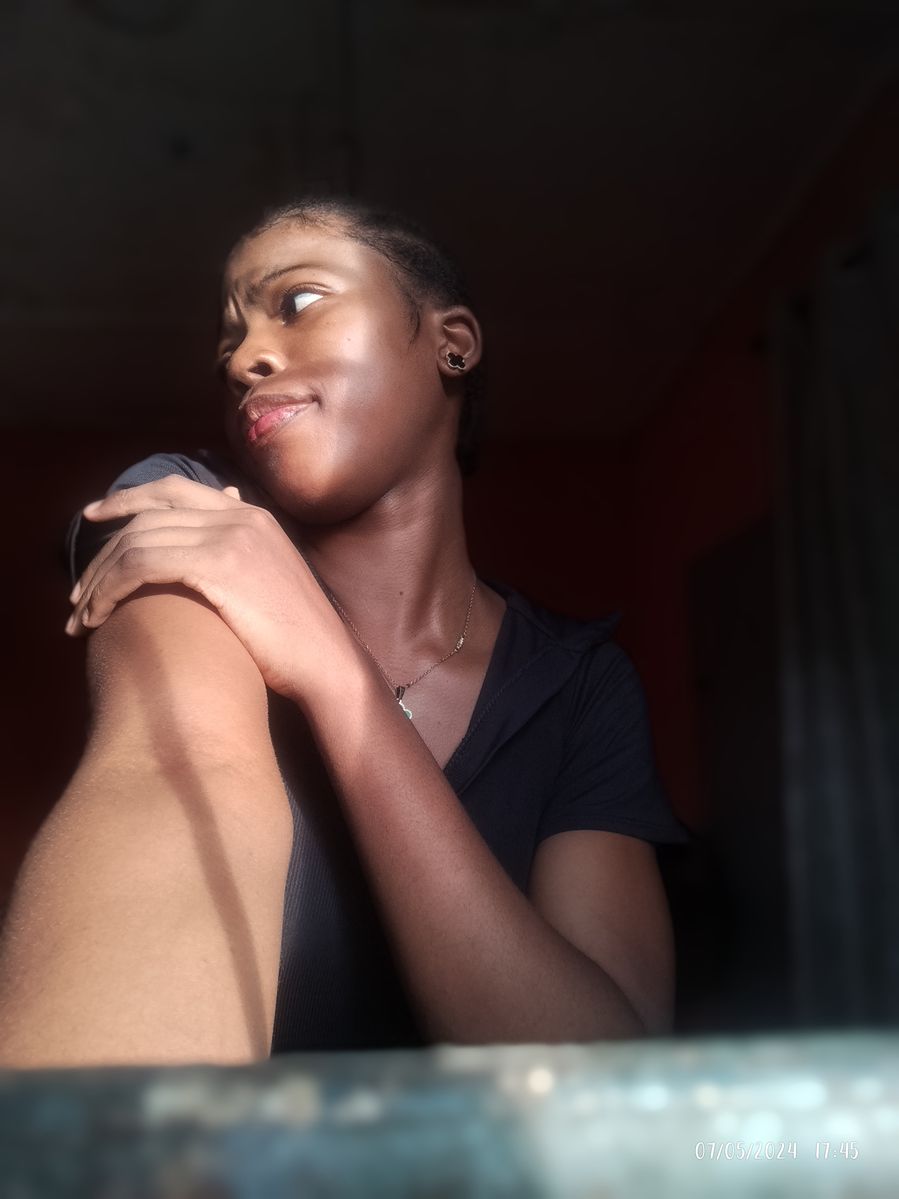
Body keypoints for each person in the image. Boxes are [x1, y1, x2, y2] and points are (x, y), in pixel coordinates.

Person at [0, 195, 690, 1068]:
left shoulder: (580, 684)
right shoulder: (193, 511)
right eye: (228, 342)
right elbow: (178, 772)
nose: (243, 358)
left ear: (452, 343)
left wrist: (331, 669)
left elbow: (607, 1068)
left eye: (296, 302)